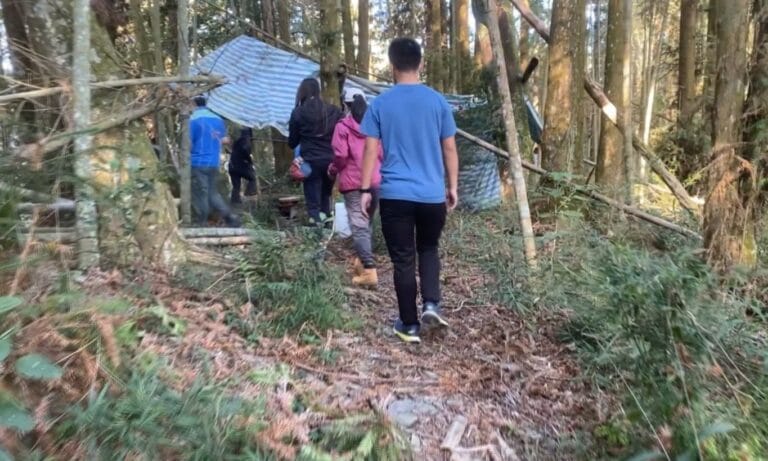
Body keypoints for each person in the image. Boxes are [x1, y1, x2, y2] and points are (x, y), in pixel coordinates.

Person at [359, 38, 459, 344]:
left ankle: (409, 325)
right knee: (428, 248)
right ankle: (431, 305)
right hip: (431, 195)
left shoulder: (380, 104)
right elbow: (449, 148)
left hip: (395, 195)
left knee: (403, 259)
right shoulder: (437, 102)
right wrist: (452, 186)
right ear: (421, 63)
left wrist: (365, 189)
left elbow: (370, 149)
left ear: (392, 66)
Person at [330, 88, 383, 287]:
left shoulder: (342, 127)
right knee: (367, 223)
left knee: (359, 226)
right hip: (375, 180)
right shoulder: (375, 124)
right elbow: (382, 153)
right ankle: (361, 263)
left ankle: (369, 270)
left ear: (346, 105)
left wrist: (333, 169)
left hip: (354, 183)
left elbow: (341, 155)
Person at [288, 78, 343, 226]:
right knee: (326, 196)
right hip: (330, 161)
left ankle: (316, 229)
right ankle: (327, 226)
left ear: (302, 92)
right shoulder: (333, 111)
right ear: (318, 91)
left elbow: (292, 142)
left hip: (310, 162)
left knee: (313, 202)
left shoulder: (298, 113)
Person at [189, 96, 241, 227]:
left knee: (201, 193)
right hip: (213, 161)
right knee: (213, 194)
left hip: (198, 162)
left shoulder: (193, 119)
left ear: (193, 103)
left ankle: (201, 222)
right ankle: (230, 217)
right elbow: (222, 139)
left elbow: (188, 143)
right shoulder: (218, 119)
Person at [228, 127, 257, 204]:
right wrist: (249, 160)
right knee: (252, 178)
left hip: (232, 167)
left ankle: (235, 203)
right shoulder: (246, 141)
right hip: (239, 167)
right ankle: (249, 194)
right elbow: (244, 150)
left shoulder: (238, 142)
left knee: (236, 187)